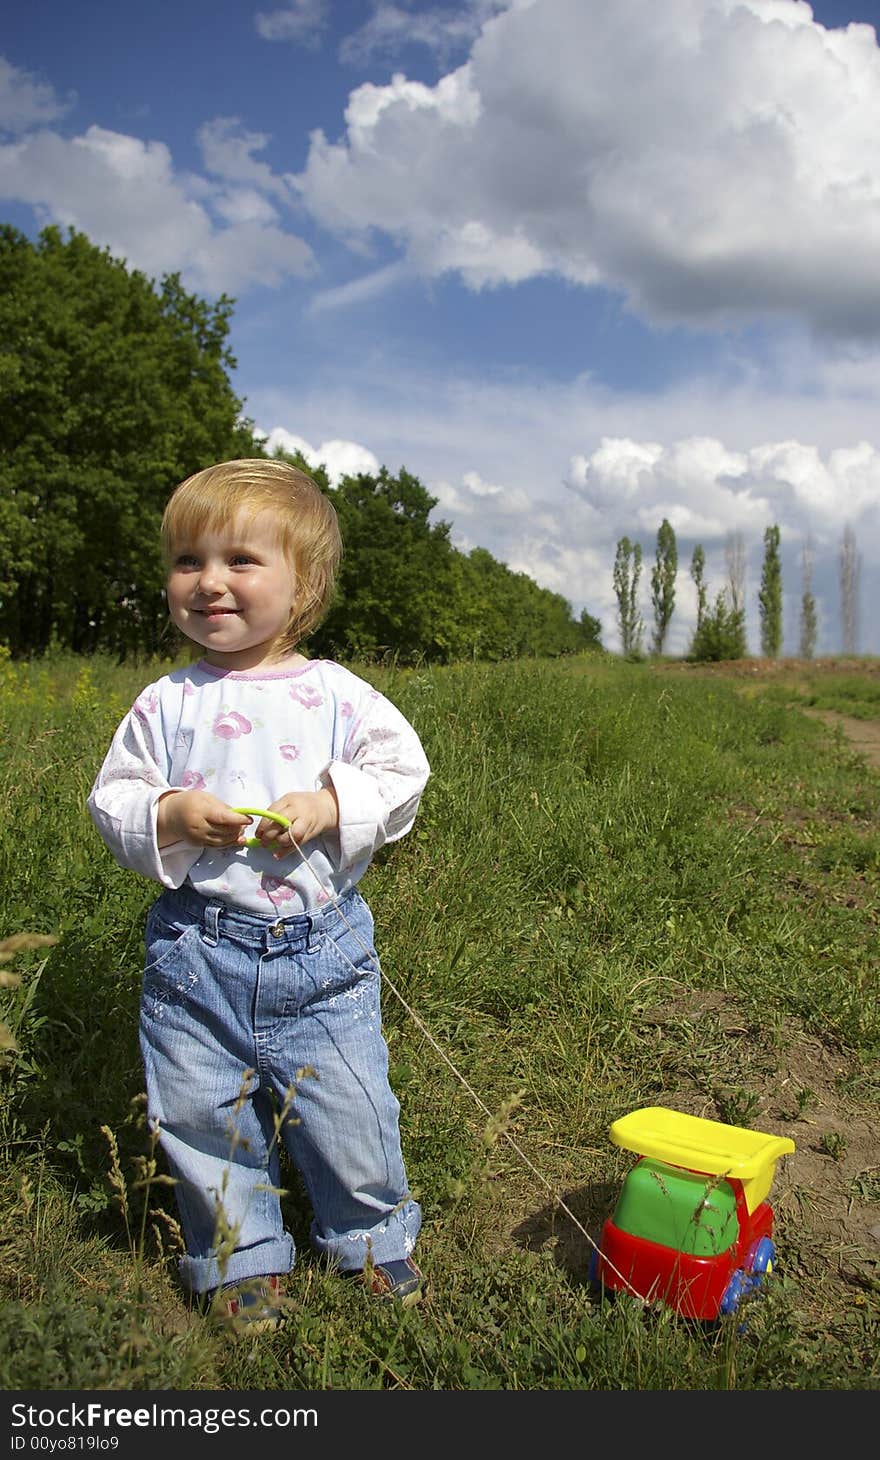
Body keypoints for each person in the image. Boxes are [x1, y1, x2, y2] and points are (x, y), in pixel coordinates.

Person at [88, 457, 430, 1331]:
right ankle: (240, 1251)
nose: (209, 582)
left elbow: (402, 776)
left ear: (303, 583)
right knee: (203, 1114)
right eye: (187, 561)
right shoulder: (164, 704)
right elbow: (114, 797)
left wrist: (326, 806)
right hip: (193, 953)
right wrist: (169, 811)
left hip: (321, 953)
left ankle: (369, 1231)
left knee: (351, 1102)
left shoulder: (337, 697)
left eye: (240, 560)